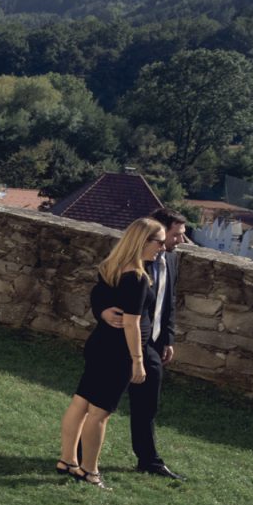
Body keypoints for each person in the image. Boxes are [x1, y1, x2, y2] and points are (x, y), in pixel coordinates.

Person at [57, 217, 167, 490]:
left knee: (80, 403)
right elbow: (131, 322)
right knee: (99, 413)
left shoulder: (112, 267)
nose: (162, 248)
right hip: (118, 353)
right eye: (159, 242)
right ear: (143, 241)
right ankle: (89, 470)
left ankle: (67, 460)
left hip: (100, 345)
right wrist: (137, 362)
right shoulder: (138, 277)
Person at [116, 209, 187, 478]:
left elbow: (169, 300)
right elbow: (103, 289)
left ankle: (148, 460)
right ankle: (76, 454)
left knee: (147, 404)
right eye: (177, 234)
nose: (182, 240)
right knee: (101, 402)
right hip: (126, 341)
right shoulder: (134, 259)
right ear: (158, 231)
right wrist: (103, 311)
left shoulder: (171, 258)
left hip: (154, 344)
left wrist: (168, 338)